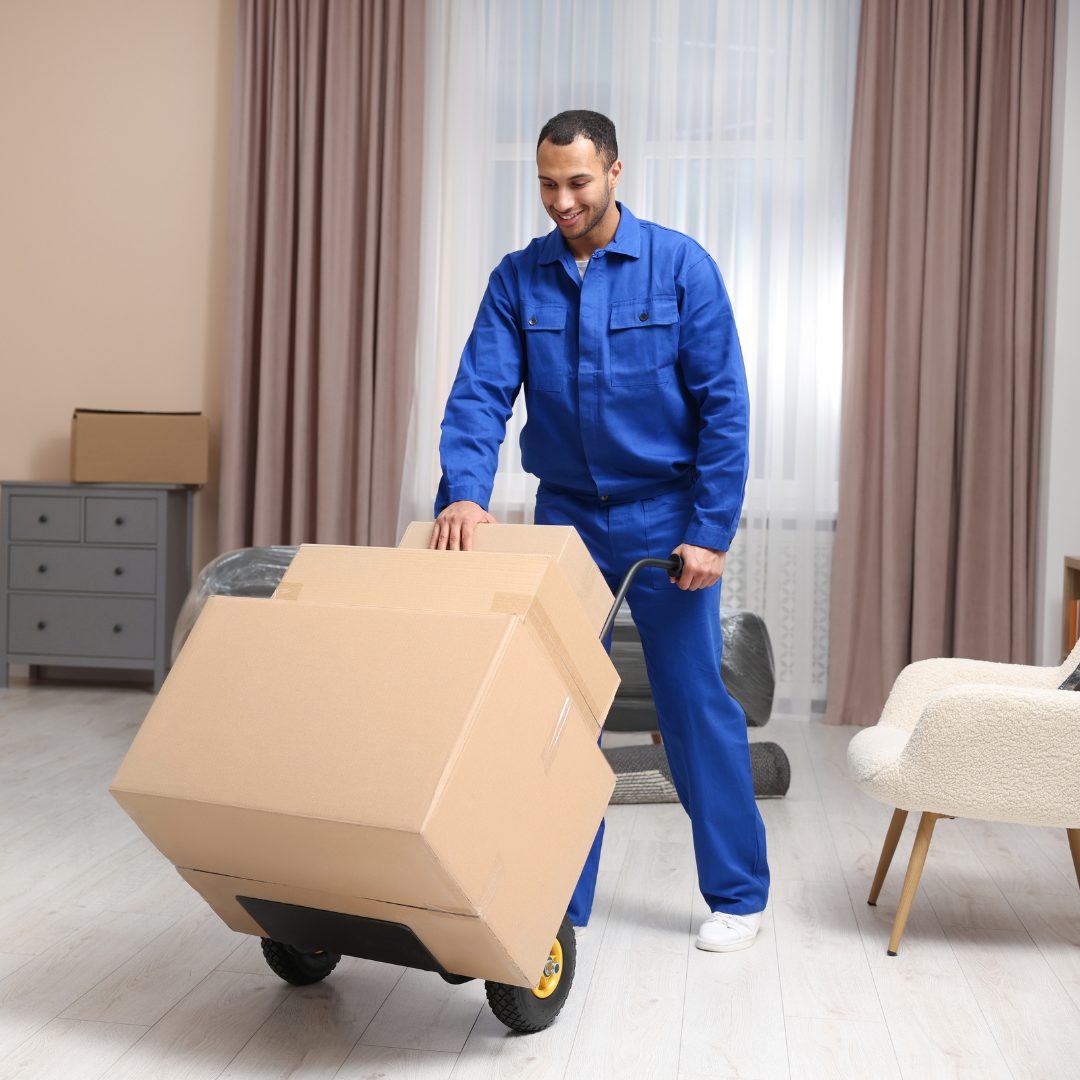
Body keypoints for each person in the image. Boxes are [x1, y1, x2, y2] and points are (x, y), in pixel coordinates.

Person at [429, 110, 769, 952]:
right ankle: (558, 906)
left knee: (691, 705)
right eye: (547, 184)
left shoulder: (681, 268)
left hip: (667, 522)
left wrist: (711, 531)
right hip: (568, 520)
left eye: (577, 182)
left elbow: (725, 407)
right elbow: (478, 393)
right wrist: (464, 494)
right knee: (557, 714)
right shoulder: (518, 280)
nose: (561, 200)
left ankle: (739, 897)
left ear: (616, 172)